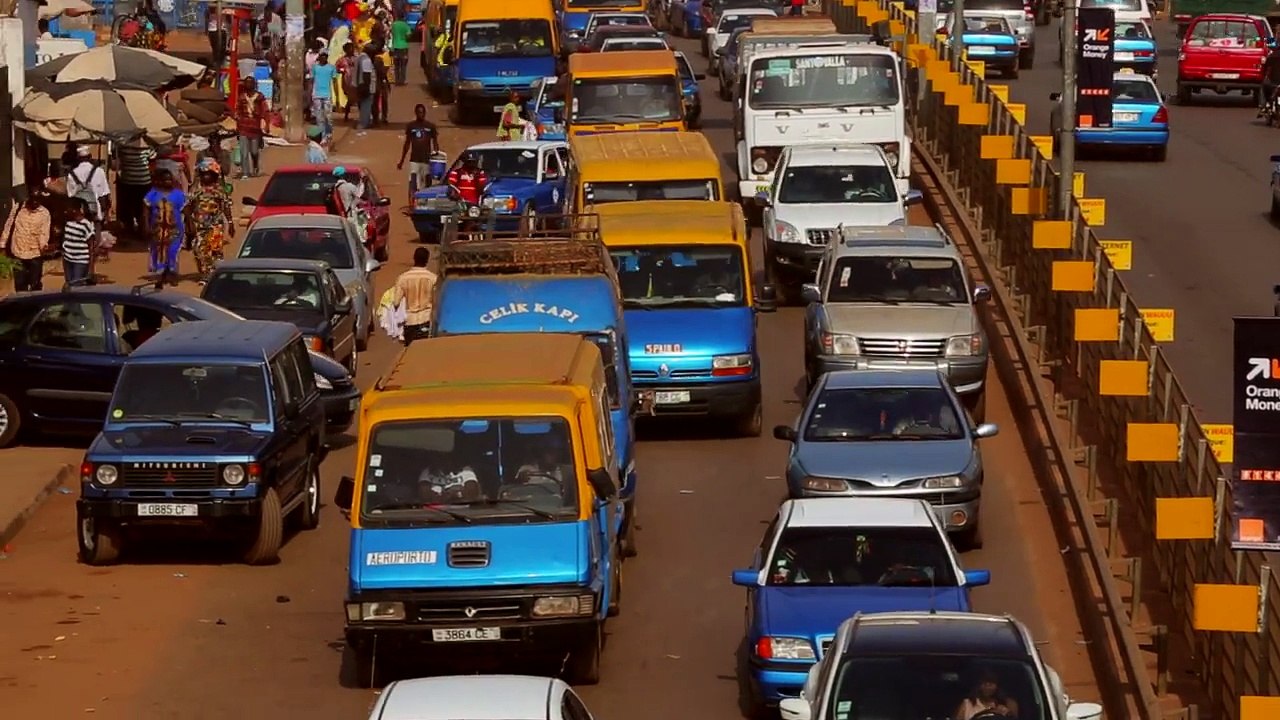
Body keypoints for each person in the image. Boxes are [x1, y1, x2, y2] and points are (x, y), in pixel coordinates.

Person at [183, 159, 235, 284]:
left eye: (209, 174)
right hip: (199, 226)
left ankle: (214, 275)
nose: (206, 176)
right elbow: (187, 207)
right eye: (204, 173)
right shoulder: (195, 190)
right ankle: (205, 273)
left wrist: (231, 222)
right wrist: (189, 223)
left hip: (216, 225)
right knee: (199, 249)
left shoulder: (219, 190)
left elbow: (225, 206)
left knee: (215, 250)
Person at [143, 169, 187, 287]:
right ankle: (161, 276)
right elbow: (146, 209)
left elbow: (186, 210)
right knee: (160, 252)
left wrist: (190, 225)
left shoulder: (179, 194)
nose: (168, 182)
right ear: (160, 181)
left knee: (173, 251)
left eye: (170, 179)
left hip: (175, 230)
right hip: (157, 230)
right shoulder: (153, 194)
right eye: (165, 180)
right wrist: (146, 225)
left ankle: (172, 274)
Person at [1, 194, 52, 292]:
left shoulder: (44, 213)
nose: (35, 203)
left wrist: (44, 247)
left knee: (35, 285)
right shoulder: (18, 208)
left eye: (38, 201)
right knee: (19, 285)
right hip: (18, 253)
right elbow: (9, 225)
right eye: (33, 200)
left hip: (35, 254)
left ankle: (36, 306)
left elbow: (44, 233)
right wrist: (3, 245)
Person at [391, 246, 437, 344]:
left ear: (414, 258)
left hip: (410, 321)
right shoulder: (433, 278)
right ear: (427, 259)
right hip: (427, 320)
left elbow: (396, 303)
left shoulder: (403, 278)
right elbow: (437, 301)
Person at [398, 103, 439, 199]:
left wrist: (436, 157)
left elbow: (435, 143)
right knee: (413, 180)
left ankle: (428, 199)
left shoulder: (430, 126)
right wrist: (402, 161)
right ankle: (412, 199)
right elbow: (407, 144)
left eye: (423, 112)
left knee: (427, 180)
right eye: (419, 112)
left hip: (426, 159)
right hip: (414, 159)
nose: (421, 114)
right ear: (416, 113)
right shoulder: (411, 126)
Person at [115, 139, 153, 238]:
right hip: (144, 181)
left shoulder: (122, 146)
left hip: (128, 180)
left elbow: (117, 162)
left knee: (128, 206)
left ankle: (129, 230)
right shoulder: (148, 146)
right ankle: (142, 230)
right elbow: (152, 159)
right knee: (142, 208)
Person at [66, 146, 111, 229]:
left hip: (79, 215)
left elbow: (70, 196)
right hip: (95, 213)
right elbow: (104, 195)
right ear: (90, 157)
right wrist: (105, 214)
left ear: (77, 158)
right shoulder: (99, 171)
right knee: (95, 239)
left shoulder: (71, 175)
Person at [235, 78, 269, 178]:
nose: (248, 85)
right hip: (243, 128)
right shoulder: (241, 97)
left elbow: (265, 111)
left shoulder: (260, 97)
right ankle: (245, 173)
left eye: (250, 83)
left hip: (255, 128)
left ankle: (255, 164)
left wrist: (266, 124)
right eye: (247, 83)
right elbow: (238, 110)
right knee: (244, 152)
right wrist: (237, 120)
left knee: (254, 151)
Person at [954, 670, 1019, 719]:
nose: (987, 687)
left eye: (991, 683)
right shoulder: (967, 704)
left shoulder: (1007, 704)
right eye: (984, 683)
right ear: (978, 685)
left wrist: (1007, 714)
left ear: (998, 686)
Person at [61, 199, 95, 285]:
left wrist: (91, 268)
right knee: (69, 284)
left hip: (80, 261)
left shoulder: (86, 224)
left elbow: (91, 246)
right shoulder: (68, 222)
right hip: (67, 259)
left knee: (76, 285)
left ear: (74, 209)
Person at [311, 48, 338, 138]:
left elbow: (334, 82)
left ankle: (329, 133)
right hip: (317, 95)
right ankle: (322, 136)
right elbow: (311, 80)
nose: (323, 57)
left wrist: (337, 97)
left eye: (325, 56)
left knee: (328, 116)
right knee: (319, 117)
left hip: (327, 95)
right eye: (322, 55)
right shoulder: (315, 67)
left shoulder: (331, 68)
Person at [355, 45, 378, 131]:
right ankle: (363, 124)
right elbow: (366, 75)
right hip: (366, 86)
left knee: (363, 105)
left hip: (359, 85)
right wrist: (367, 87)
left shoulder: (359, 58)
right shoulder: (367, 60)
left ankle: (363, 122)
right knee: (366, 106)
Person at [337, 42, 358, 121]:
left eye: (352, 48)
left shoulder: (357, 58)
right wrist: (341, 70)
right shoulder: (342, 60)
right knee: (350, 98)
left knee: (357, 98)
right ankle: (346, 115)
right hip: (347, 81)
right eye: (349, 48)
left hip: (356, 80)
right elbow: (337, 68)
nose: (351, 50)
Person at [390, 10, 412, 84]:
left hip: (395, 47)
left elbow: (392, 34)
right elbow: (408, 35)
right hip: (404, 47)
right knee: (403, 65)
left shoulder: (394, 25)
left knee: (396, 65)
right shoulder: (405, 25)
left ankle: (397, 80)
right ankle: (402, 80)